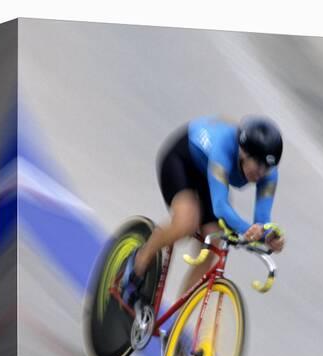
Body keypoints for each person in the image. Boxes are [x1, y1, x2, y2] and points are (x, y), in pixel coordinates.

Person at [121, 115, 286, 307]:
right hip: (183, 160)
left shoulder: (269, 173)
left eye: (267, 168)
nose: (260, 173)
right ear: (243, 152)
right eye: (257, 164)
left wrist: (268, 235)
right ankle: (138, 262)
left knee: (213, 242)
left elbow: (262, 220)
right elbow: (220, 206)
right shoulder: (224, 148)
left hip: (209, 178)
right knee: (186, 222)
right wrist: (248, 230)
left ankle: (176, 321)